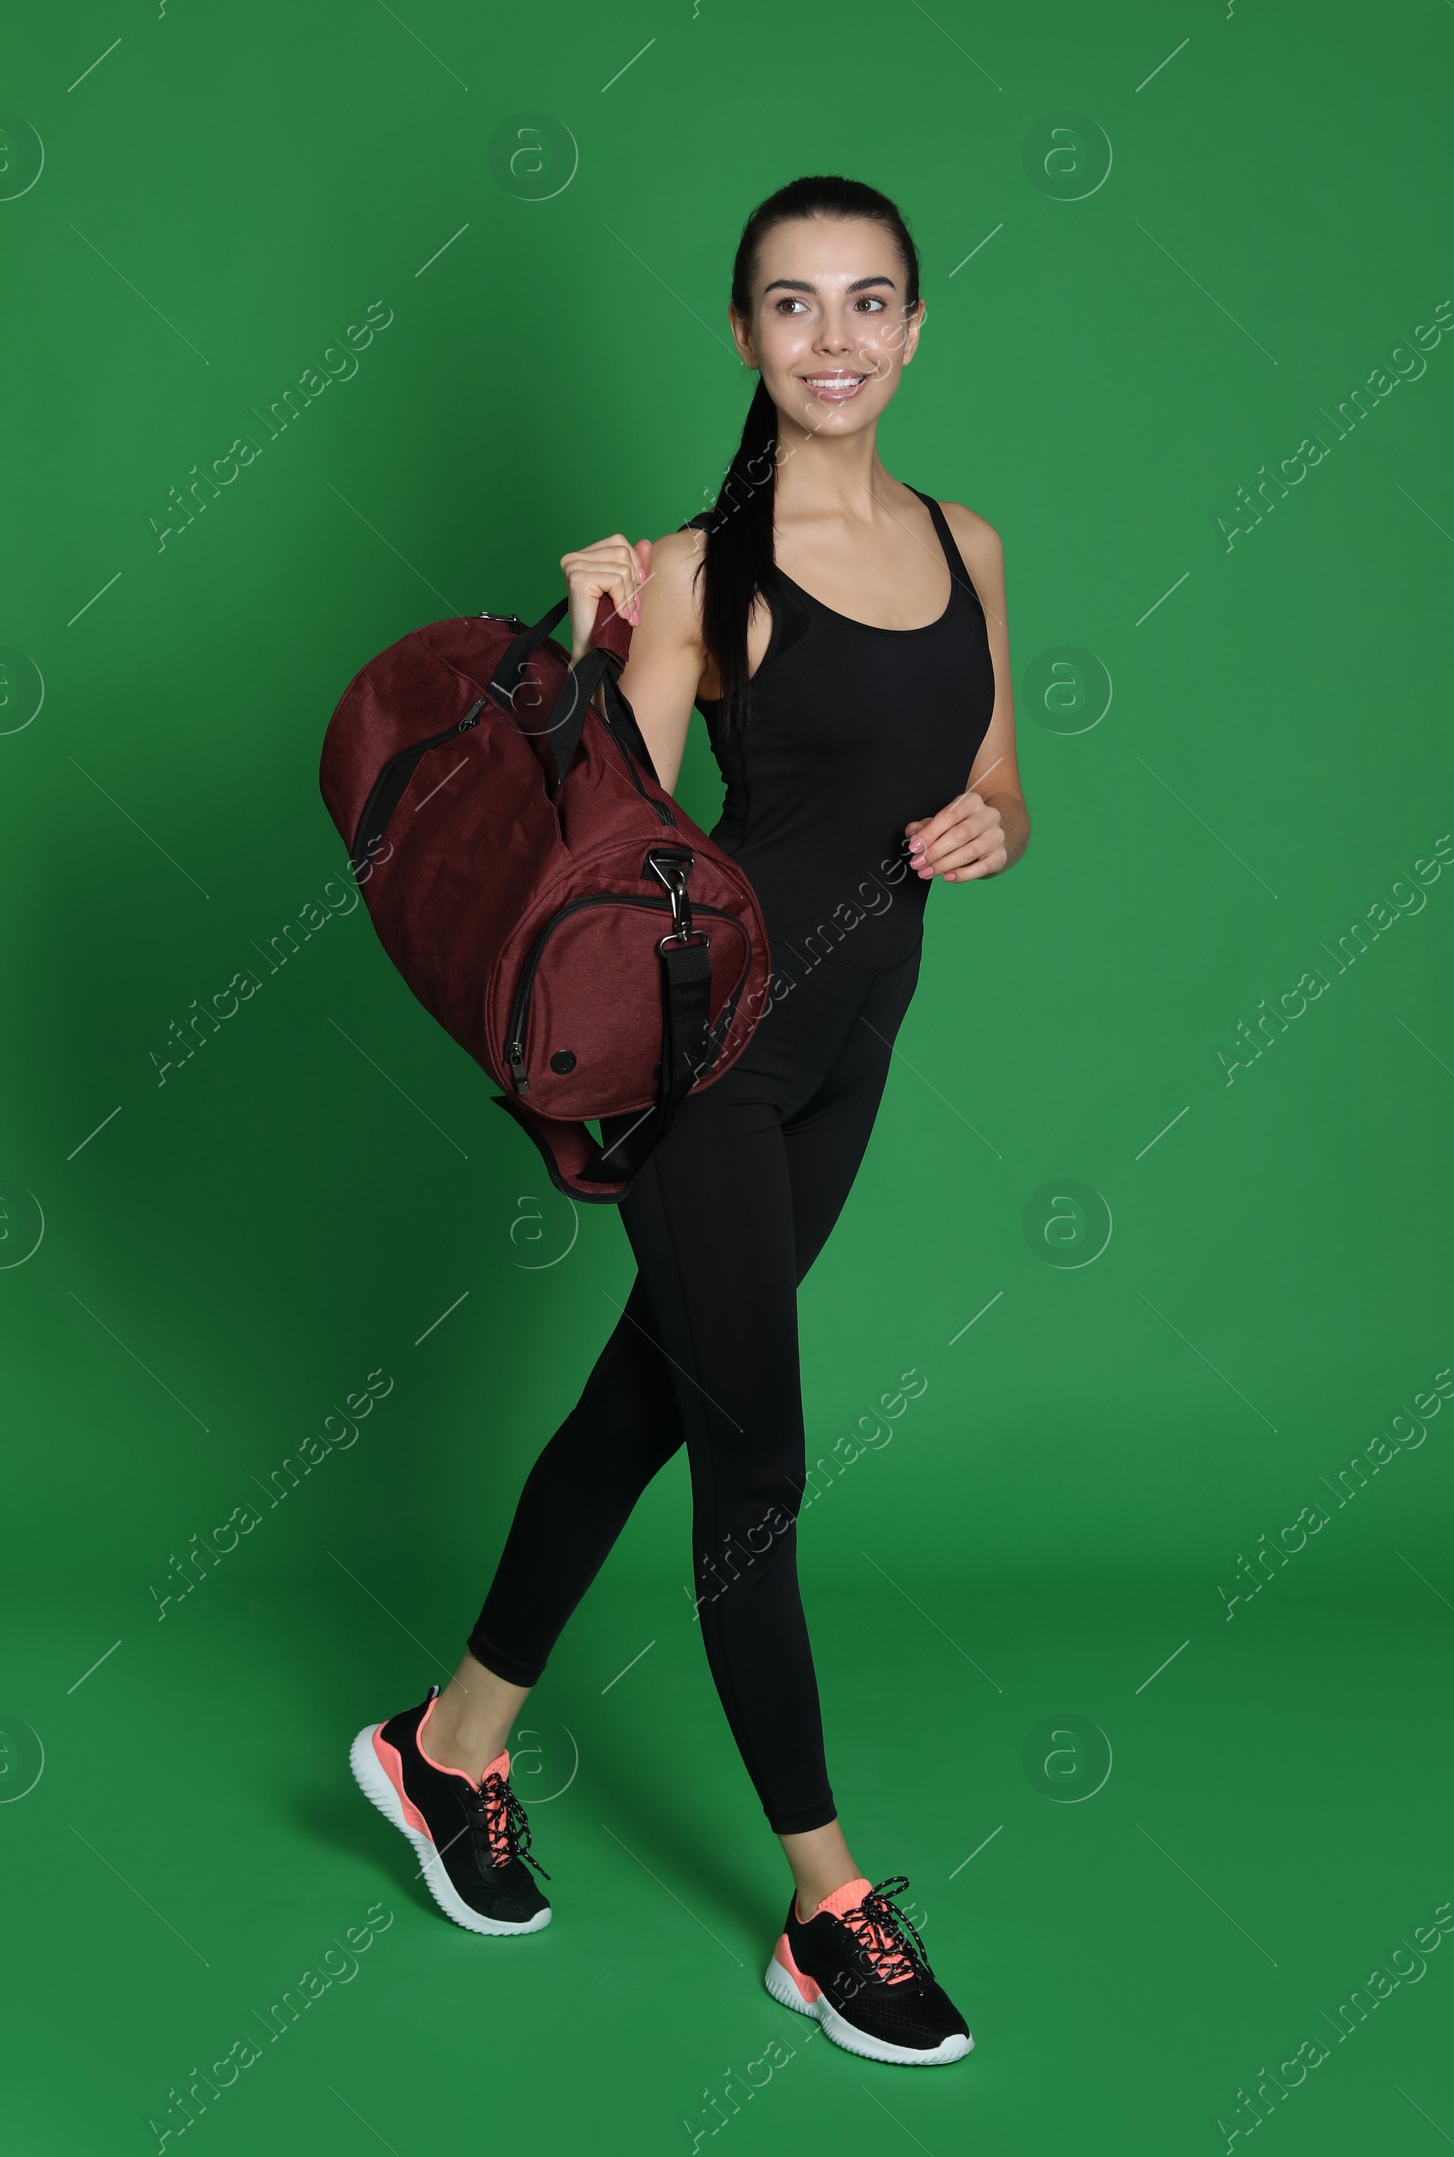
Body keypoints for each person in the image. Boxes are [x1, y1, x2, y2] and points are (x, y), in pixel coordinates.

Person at [351, 174, 1030, 2066]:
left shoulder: (968, 543)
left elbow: (988, 775)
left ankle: (444, 1748)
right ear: (743, 337)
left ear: (913, 329)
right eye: (792, 305)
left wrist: (998, 827)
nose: (834, 338)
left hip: (856, 1054)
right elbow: (603, 842)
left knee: (642, 1402)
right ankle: (829, 1906)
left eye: (869, 301)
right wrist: (584, 648)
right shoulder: (698, 570)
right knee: (759, 1483)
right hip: (712, 1063)